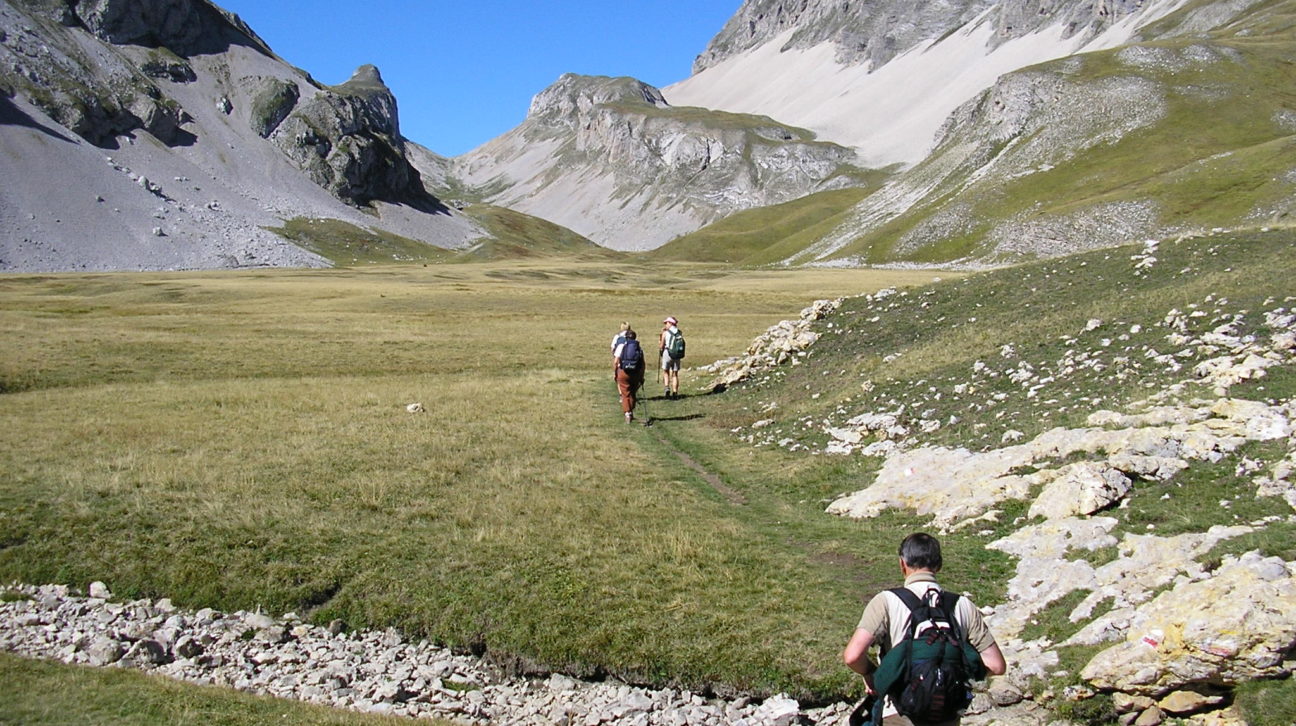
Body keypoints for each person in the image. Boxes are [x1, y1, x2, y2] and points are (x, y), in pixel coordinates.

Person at [842, 533, 1007, 725]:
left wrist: (872, 674)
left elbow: (852, 656)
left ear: (902, 564)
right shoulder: (963, 605)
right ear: (939, 565)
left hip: (898, 712)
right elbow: (997, 665)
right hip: (946, 715)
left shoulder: (886, 601)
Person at [613, 329, 645, 423]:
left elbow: (616, 361)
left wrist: (616, 372)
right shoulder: (638, 348)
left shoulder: (621, 346)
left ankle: (628, 413)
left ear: (626, 337)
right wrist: (641, 376)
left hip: (623, 372)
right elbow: (642, 364)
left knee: (625, 393)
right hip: (635, 373)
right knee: (632, 392)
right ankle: (631, 410)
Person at [659, 316, 683, 399]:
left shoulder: (665, 333)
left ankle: (667, 388)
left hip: (667, 353)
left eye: (666, 323)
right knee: (675, 373)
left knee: (666, 372)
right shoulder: (679, 332)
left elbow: (661, 346)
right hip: (677, 355)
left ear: (671, 323)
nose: (665, 324)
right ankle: (675, 392)